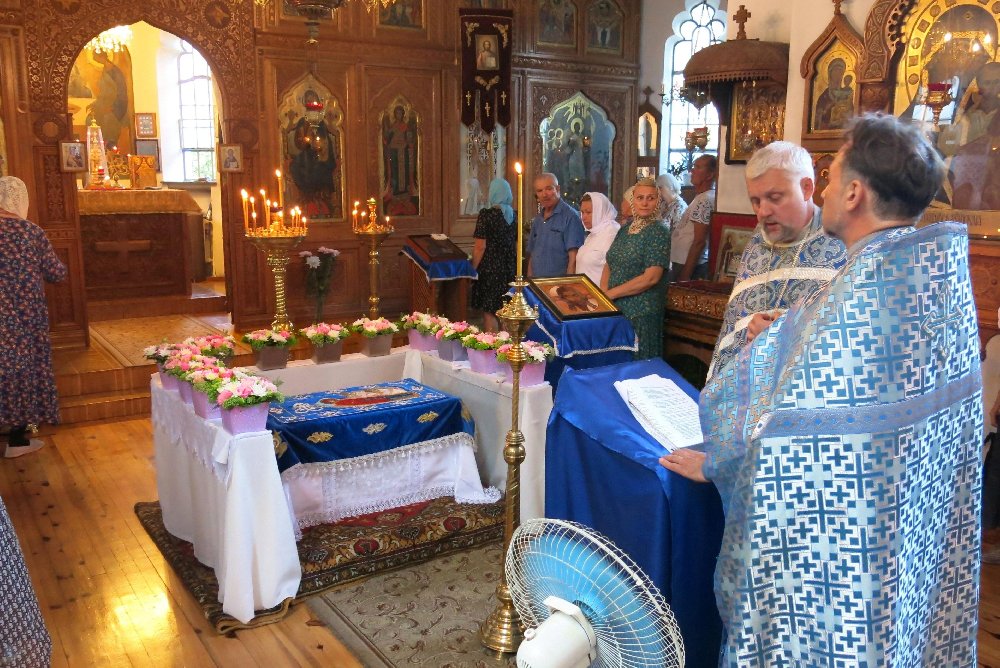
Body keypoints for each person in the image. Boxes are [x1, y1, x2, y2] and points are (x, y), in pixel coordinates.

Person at [662, 114, 983, 665]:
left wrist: (717, 462)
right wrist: (784, 335)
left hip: (841, 560)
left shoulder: (851, 303)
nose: (826, 190)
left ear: (854, 193)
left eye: (831, 177)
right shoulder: (933, 275)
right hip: (912, 535)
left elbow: (772, 433)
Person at [706, 141, 846, 381]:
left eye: (774, 198)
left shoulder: (841, 243)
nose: (763, 212)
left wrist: (784, 335)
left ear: (806, 188)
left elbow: (847, 342)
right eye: (756, 201)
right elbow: (735, 328)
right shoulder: (757, 242)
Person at [0, 176, 66, 458]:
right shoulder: (32, 233)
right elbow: (56, 273)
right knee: (23, 371)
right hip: (24, 316)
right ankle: (17, 440)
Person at [601, 178, 671, 359]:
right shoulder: (625, 230)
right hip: (616, 309)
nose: (645, 203)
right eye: (640, 198)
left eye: (650, 198)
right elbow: (609, 262)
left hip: (641, 314)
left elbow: (651, 278)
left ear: (658, 201)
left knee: (638, 364)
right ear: (633, 200)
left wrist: (611, 294)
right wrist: (603, 295)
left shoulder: (659, 231)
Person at [471, 178, 517, 332]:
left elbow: (480, 247)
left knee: (489, 311)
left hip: (490, 269)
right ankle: (507, 344)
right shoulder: (514, 216)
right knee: (506, 311)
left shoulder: (486, 215)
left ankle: (492, 345)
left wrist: (472, 269)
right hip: (509, 269)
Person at [668, 154, 716, 281]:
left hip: (689, 266)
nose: (692, 171)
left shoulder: (704, 200)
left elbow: (699, 241)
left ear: (710, 175)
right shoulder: (701, 197)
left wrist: (686, 274)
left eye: (698, 167)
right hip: (681, 261)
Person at [526, 172, 584, 277]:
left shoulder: (570, 217)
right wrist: (530, 282)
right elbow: (532, 255)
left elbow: (574, 259)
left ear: (558, 189)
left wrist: (568, 284)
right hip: (536, 283)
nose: (544, 194)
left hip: (558, 284)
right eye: (540, 191)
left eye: (549, 189)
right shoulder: (538, 220)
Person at [575, 192, 619, 286]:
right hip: (584, 292)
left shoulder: (613, 232)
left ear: (600, 211)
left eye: (588, 212)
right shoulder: (593, 233)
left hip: (601, 293)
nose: (584, 217)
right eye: (582, 212)